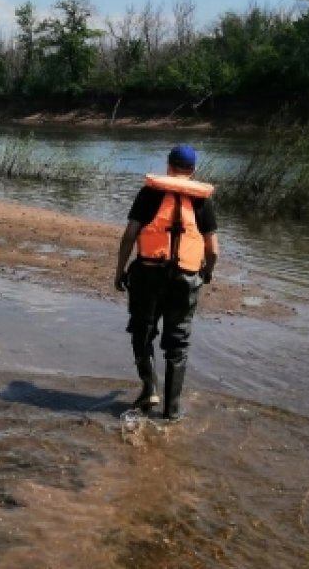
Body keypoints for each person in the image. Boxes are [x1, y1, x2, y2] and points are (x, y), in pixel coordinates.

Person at [113, 144, 219, 422]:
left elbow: (129, 235)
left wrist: (120, 271)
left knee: (142, 332)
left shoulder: (149, 193)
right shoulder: (201, 201)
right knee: (178, 344)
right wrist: (207, 273)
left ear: (168, 166)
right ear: (193, 170)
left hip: (148, 274)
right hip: (185, 279)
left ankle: (149, 389)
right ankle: (172, 411)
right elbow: (214, 250)